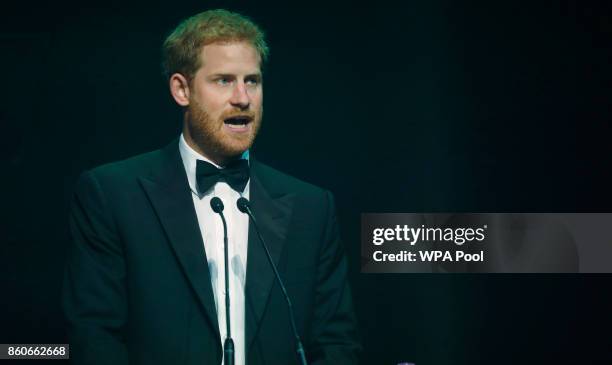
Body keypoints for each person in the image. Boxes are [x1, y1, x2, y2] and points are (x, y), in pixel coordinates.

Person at [62, 9, 361, 365]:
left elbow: (337, 344)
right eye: (223, 80)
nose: (243, 98)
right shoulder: (111, 195)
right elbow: (94, 338)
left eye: (252, 80)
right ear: (181, 89)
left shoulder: (312, 208)